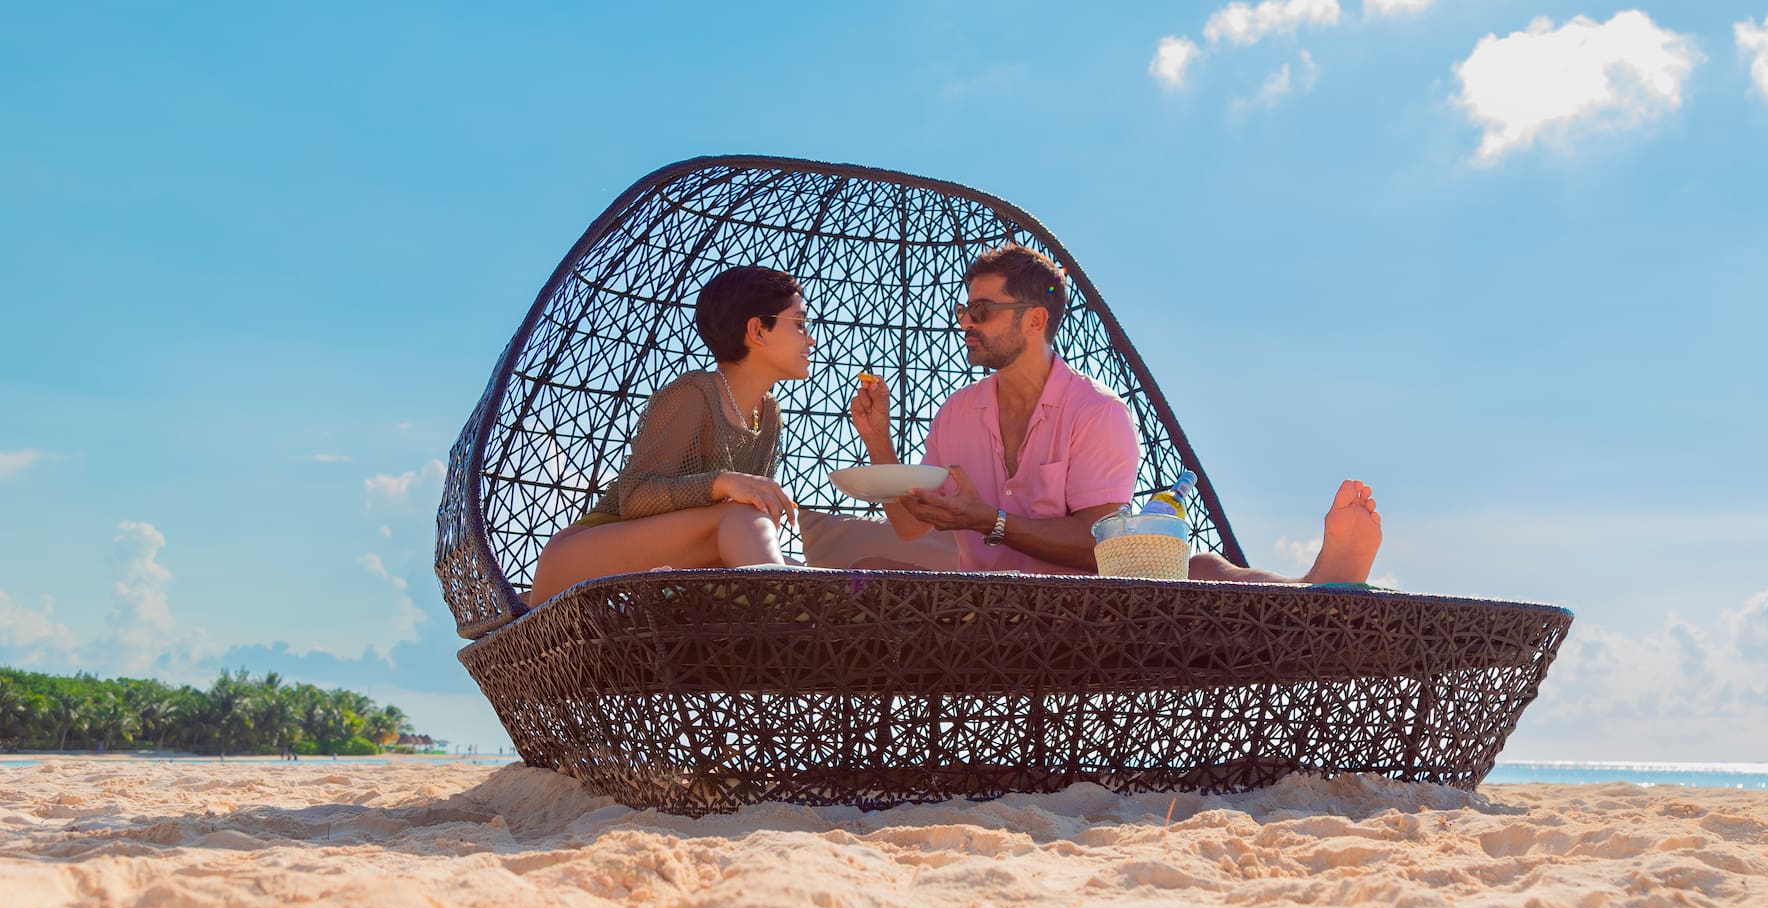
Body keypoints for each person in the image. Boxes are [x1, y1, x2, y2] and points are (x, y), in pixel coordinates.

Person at [847, 243, 1382, 584]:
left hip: (1083, 609)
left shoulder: (1096, 412)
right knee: (869, 572)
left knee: (1199, 570)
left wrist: (987, 520)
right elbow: (910, 527)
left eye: (982, 312)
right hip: (980, 606)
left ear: (1035, 320)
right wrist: (879, 444)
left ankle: (1314, 587)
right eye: (965, 310)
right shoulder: (956, 413)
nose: (967, 322)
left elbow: (1100, 548)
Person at [528, 265, 812, 604]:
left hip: (672, 565)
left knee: (809, 577)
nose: (809, 338)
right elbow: (634, 499)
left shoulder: (769, 418)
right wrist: (721, 483)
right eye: (798, 324)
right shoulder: (693, 394)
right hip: (582, 561)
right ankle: (781, 628)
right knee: (746, 523)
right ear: (758, 331)